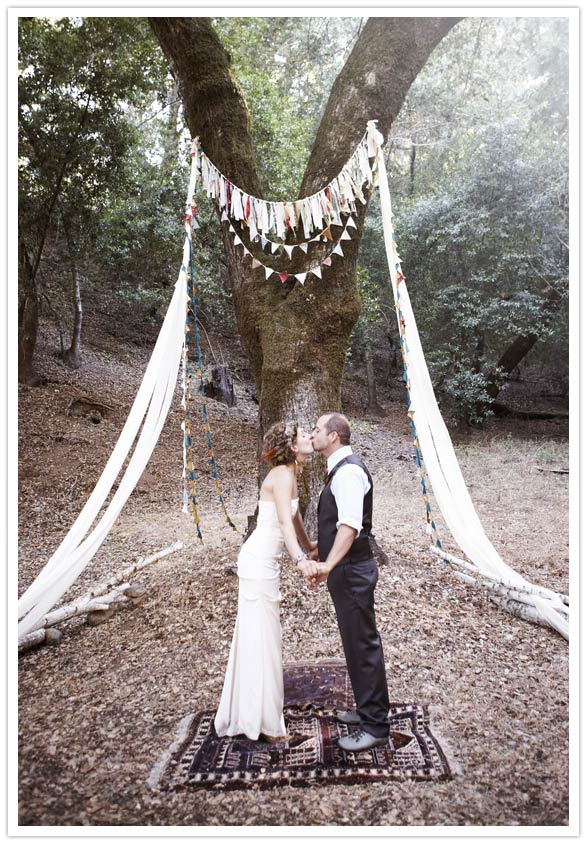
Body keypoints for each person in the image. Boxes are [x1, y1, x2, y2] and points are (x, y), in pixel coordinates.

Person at [214, 421, 316, 743]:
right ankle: (266, 724)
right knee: (262, 638)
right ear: (292, 447)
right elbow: (284, 521)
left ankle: (256, 712)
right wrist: (301, 560)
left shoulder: (291, 474)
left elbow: (295, 517)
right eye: (303, 436)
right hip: (258, 563)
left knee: (264, 636)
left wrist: (310, 544)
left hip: (264, 563)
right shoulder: (283, 476)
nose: (309, 438)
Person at [299, 412, 390, 753]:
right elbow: (336, 524)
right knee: (354, 644)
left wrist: (326, 565)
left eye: (317, 429)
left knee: (363, 645)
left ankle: (376, 727)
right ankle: (367, 711)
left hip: (352, 570)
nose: (312, 434)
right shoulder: (339, 469)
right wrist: (316, 549)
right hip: (345, 568)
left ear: (334, 435)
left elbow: (349, 527)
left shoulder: (349, 472)